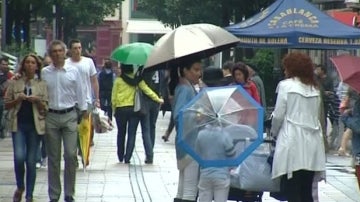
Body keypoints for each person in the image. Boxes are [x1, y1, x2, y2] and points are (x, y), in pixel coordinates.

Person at [271, 52, 326, 202]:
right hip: (312, 143)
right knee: (306, 189)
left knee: (292, 189)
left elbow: (278, 115)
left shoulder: (285, 86)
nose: (284, 70)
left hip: (292, 141)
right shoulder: (314, 89)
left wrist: (274, 132)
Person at [42, 40, 88, 202]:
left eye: (59, 51)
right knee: (53, 157)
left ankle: (69, 193)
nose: (57, 54)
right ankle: (54, 195)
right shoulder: (45, 73)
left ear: (64, 52)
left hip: (69, 115)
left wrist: (84, 111)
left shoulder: (73, 71)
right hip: (51, 116)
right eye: (53, 51)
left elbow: (81, 92)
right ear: (50, 54)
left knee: (70, 154)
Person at [5, 54, 48, 202]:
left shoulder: (42, 84)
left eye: (33, 63)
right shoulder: (14, 82)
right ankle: (20, 186)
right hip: (19, 125)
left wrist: (38, 101)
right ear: (23, 65)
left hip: (35, 126)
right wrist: (18, 99)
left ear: (37, 66)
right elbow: (6, 104)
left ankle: (29, 194)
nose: (30, 65)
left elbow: (46, 108)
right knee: (19, 157)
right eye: (27, 62)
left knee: (31, 161)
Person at [196, 67, 235, 202]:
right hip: (222, 172)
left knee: (204, 195)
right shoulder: (225, 96)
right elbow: (231, 152)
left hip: (205, 169)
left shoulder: (202, 96)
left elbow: (198, 151)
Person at [111, 64, 163, 164]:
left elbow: (113, 97)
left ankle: (120, 155)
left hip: (120, 110)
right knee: (131, 134)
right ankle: (128, 157)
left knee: (121, 133)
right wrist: (158, 99)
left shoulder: (118, 80)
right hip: (132, 110)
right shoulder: (137, 80)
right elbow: (147, 90)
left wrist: (114, 110)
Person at [173, 59, 202, 202]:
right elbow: (179, 115)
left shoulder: (185, 87)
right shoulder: (185, 89)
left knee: (183, 186)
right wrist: (198, 116)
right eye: (195, 70)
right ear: (185, 70)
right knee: (190, 188)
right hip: (190, 143)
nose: (199, 73)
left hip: (185, 141)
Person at [66, 39, 100, 147]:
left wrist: (97, 98)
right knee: (73, 127)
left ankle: (87, 142)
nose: (77, 50)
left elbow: (94, 80)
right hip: (71, 101)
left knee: (87, 125)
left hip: (87, 100)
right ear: (70, 50)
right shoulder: (66, 63)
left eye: (79, 48)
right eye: (75, 48)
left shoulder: (88, 62)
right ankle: (75, 145)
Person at [98, 58, 114, 127]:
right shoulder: (112, 74)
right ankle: (110, 120)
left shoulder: (101, 73)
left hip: (102, 91)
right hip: (110, 91)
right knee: (110, 107)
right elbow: (114, 82)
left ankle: (103, 120)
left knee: (102, 106)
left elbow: (98, 82)